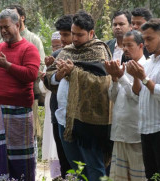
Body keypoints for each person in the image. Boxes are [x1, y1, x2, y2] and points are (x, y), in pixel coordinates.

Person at [45, 11, 112, 181]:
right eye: (73, 33)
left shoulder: (99, 51)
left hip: (89, 121)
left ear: (91, 33)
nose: (75, 38)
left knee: (94, 167)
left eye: (79, 35)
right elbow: (49, 77)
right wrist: (58, 75)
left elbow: (102, 83)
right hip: (64, 119)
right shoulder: (66, 51)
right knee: (76, 167)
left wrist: (73, 72)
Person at [0, 9, 40, 181]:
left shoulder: (29, 48)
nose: (3, 31)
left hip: (18, 111)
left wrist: (6, 64)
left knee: (19, 156)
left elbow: (31, 75)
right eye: (0, 28)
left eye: (6, 27)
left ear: (18, 25)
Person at [127, 18, 160, 181]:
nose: (146, 43)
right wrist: (136, 77)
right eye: (144, 39)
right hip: (146, 127)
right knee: (151, 176)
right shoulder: (149, 62)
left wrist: (143, 78)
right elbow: (137, 92)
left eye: (149, 39)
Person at [105, 30, 146, 181]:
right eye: (124, 45)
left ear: (141, 45)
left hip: (135, 133)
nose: (126, 49)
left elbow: (136, 97)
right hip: (119, 131)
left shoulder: (144, 67)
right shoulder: (124, 66)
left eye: (130, 45)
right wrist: (115, 78)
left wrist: (121, 77)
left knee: (138, 176)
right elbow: (113, 97)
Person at [7, 5, 45, 141]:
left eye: (14, 15)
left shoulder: (33, 40)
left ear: (22, 18)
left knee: (29, 133)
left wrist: (19, 72)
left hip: (28, 95)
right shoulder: (4, 40)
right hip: (7, 96)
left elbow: (40, 67)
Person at [43, 15, 73, 179]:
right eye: (60, 35)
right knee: (64, 161)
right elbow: (48, 82)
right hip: (57, 114)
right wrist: (51, 72)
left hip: (77, 117)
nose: (62, 40)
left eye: (66, 35)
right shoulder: (56, 55)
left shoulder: (88, 54)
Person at [41, 31, 62, 179]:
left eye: (58, 46)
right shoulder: (49, 61)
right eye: (53, 46)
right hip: (51, 105)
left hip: (62, 106)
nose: (55, 50)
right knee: (52, 142)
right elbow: (42, 88)